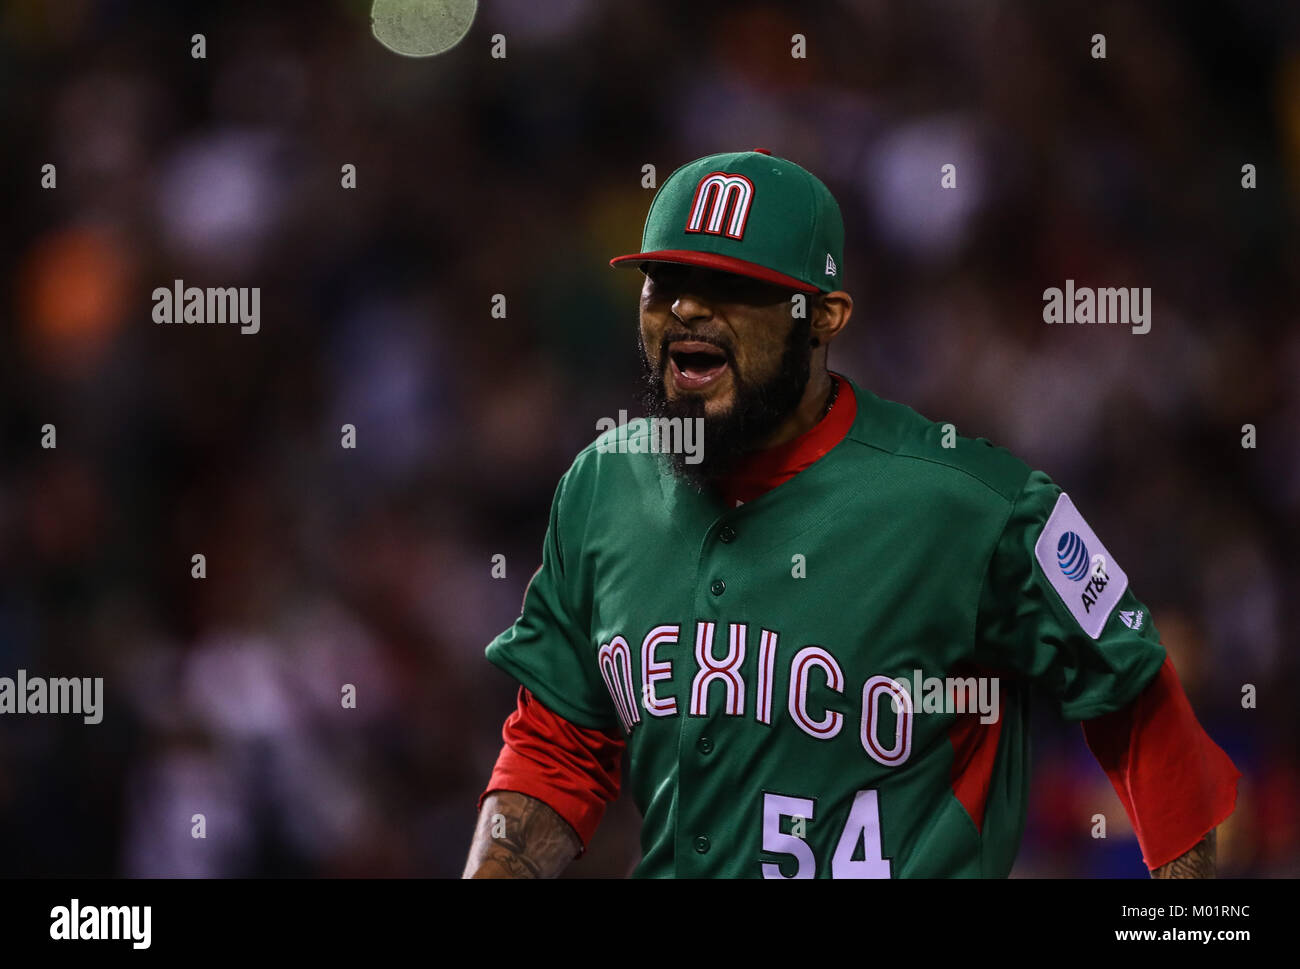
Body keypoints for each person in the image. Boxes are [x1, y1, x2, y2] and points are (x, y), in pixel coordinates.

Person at [462, 149, 1239, 878]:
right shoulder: (605, 485)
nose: (689, 307)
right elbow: (557, 746)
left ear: (824, 316)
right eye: (665, 282)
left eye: (732, 286)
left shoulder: (973, 505)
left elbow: (1138, 700)